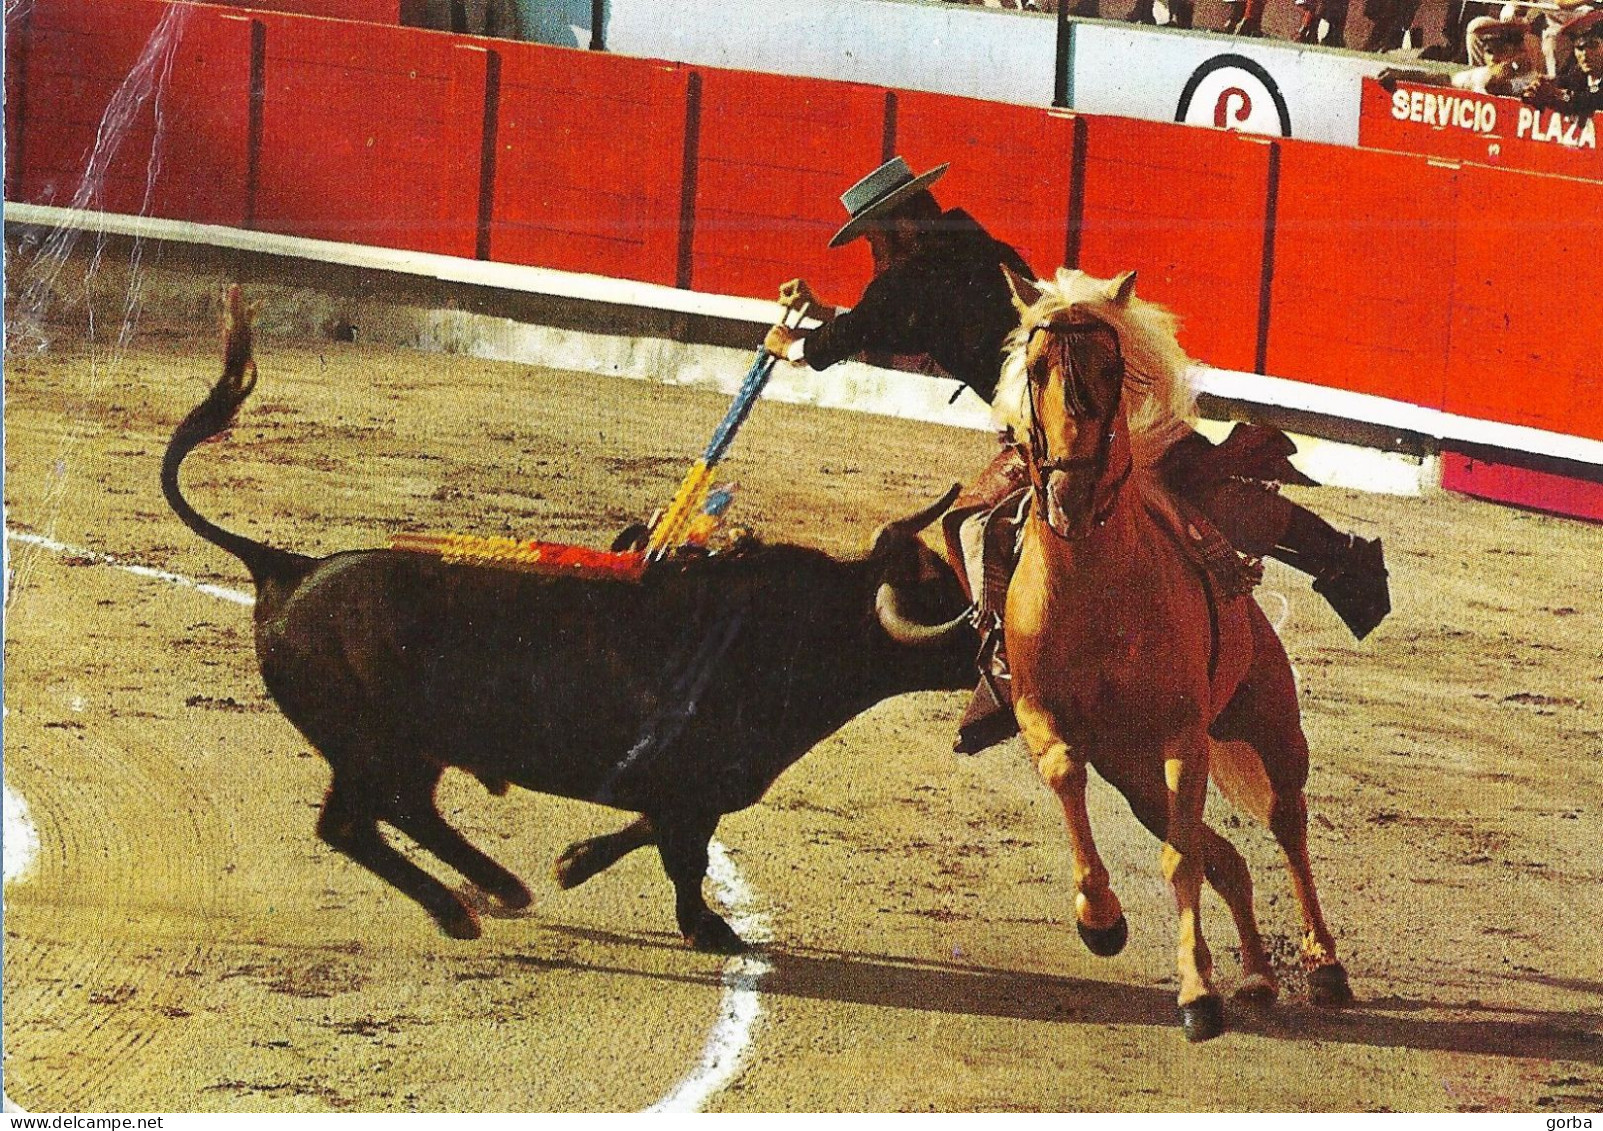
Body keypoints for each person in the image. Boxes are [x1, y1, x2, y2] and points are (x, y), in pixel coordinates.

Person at [765, 158, 1390, 754]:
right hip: (1102, 398)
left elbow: (861, 330)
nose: (876, 253)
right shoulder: (975, 248)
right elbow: (883, 325)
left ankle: (1007, 662)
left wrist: (791, 345)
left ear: (900, 225)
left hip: (1052, 426)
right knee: (1196, 481)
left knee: (971, 520)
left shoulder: (911, 279)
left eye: (876, 239)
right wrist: (821, 320)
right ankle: (1342, 557)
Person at [1377, 17, 1545, 94]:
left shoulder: (1531, 80)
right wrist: (1404, 75)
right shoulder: (1483, 72)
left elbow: (1493, 85)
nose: (1493, 58)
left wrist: (1515, 64)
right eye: (1489, 51)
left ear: (1516, 51)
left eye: (1501, 50)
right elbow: (1445, 80)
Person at [1523, 9, 1603, 112]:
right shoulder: (1578, 72)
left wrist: (1558, 94)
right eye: (1579, 48)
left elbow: (1594, 98)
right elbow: (1565, 81)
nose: (1585, 54)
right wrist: (1539, 87)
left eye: (1593, 45)